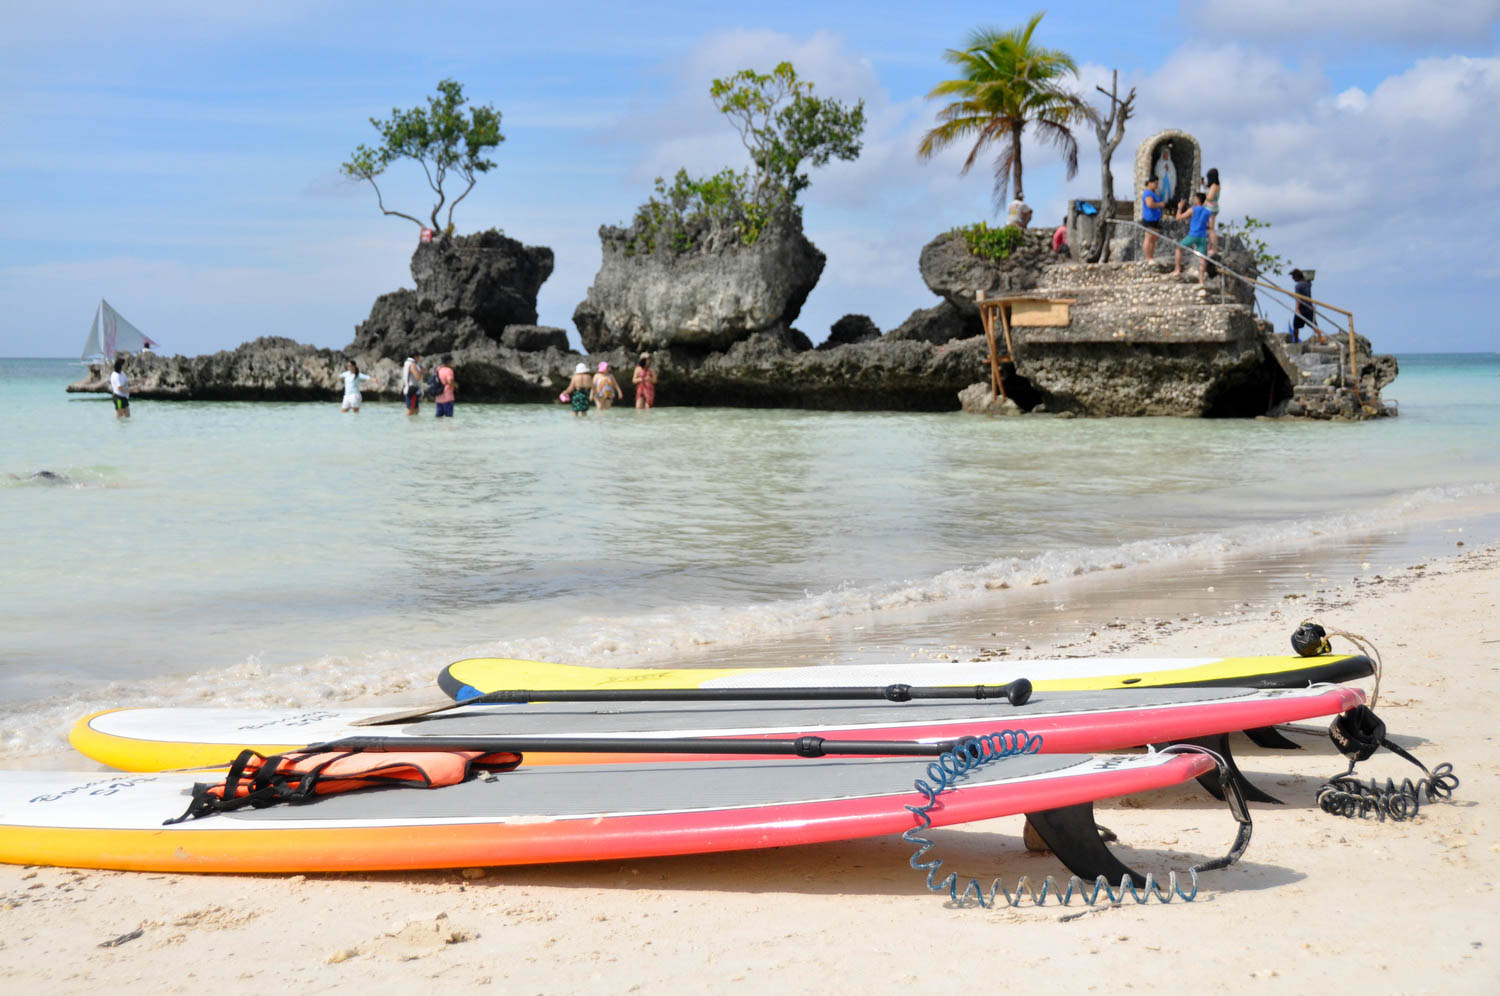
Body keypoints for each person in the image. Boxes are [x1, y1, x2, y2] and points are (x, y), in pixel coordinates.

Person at [1172, 193, 1213, 284]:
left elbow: (1178, 217)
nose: (1194, 200)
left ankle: (1177, 269)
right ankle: (1201, 281)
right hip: (1202, 236)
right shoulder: (1207, 212)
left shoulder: (1193, 210)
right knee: (1202, 258)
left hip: (1193, 234)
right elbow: (1210, 226)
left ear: (1198, 200)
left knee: (1179, 247)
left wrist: (1179, 207)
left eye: (1195, 198)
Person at [1289, 269, 1323, 344]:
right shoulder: (1307, 283)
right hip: (1309, 307)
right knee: (1313, 324)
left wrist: (1297, 308)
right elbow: (1309, 280)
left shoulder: (1298, 286)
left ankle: (1296, 342)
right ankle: (1321, 337)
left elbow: (1298, 298)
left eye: (1293, 276)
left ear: (1297, 277)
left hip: (1302, 308)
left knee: (1296, 326)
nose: (1292, 278)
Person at [1140, 176, 1166, 261]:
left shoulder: (1153, 193)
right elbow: (1150, 204)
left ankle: (1151, 256)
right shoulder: (1148, 193)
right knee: (1148, 238)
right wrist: (1160, 205)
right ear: (1150, 183)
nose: (1157, 185)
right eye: (1155, 183)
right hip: (1149, 219)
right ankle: (1148, 257)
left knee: (1154, 239)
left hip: (1155, 219)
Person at [1202, 168, 1221, 252]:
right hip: (1211, 208)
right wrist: (1204, 185)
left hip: (1211, 208)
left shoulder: (1214, 186)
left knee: (1211, 229)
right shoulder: (1215, 185)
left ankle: (1214, 248)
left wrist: (1202, 195)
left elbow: (1210, 197)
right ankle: (1210, 247)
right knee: (1208, 229)